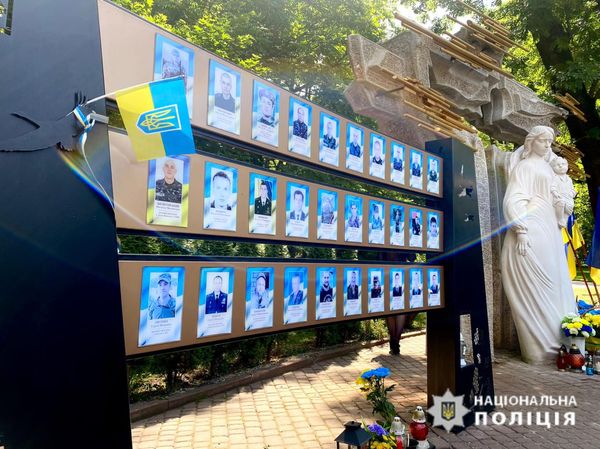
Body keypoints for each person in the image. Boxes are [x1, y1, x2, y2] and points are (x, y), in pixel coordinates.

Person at [501, 125, 576, 363]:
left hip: (550, 228)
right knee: (539, 282)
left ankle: (562, 341)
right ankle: (539, 347)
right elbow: (514, 198)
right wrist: (521, 230)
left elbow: (559, 194)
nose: (546, 145)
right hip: (532, 227)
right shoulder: (524, 167)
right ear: (531, 142)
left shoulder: (548, 167)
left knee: (555, 281)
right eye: (542, 140)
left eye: (549, 142)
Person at [550, 156, 576, 228]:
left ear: (567, 166)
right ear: (553, 168)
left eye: (563, 164)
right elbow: (552, 187)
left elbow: (572, 189)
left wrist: (573, 193)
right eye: (557, 165)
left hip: (569, 198)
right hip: (560, 197)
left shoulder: (569, 179)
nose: (560, 166)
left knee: (569, 209)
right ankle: (560, 218)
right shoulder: (555, 178)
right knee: (561, 202)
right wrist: (555, 193)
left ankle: (564, 221)